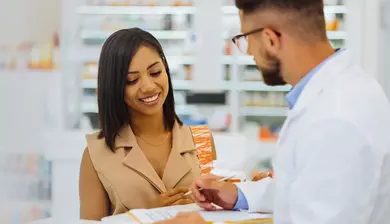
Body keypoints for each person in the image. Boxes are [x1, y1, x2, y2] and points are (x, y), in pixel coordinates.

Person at [160, 0, 390, 223]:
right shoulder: (342, 92)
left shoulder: (336, 119)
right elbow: (307, 189)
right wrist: (239, 194)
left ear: (270, 39)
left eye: (245, 39)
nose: (248, 51)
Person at [78, 28, 217, 221]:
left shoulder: (202, 139)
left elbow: (217, 212)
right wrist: (149, 216)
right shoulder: (96, 154)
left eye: (155, 72)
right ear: (114, 87)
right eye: (132, 80)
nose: (149, 86)